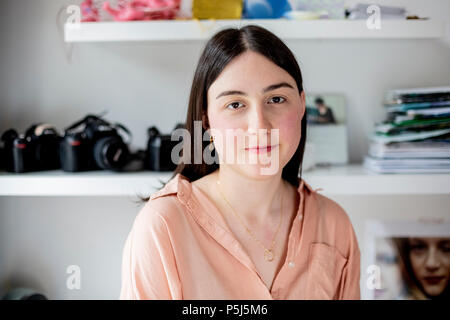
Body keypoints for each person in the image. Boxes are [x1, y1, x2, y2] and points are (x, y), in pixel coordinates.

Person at [119, 25, 360, 300]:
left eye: (276, 99)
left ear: (302, 105)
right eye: (235, 104)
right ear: (207, 120)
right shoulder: (163, 225)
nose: (259, 125)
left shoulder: (333, 223)